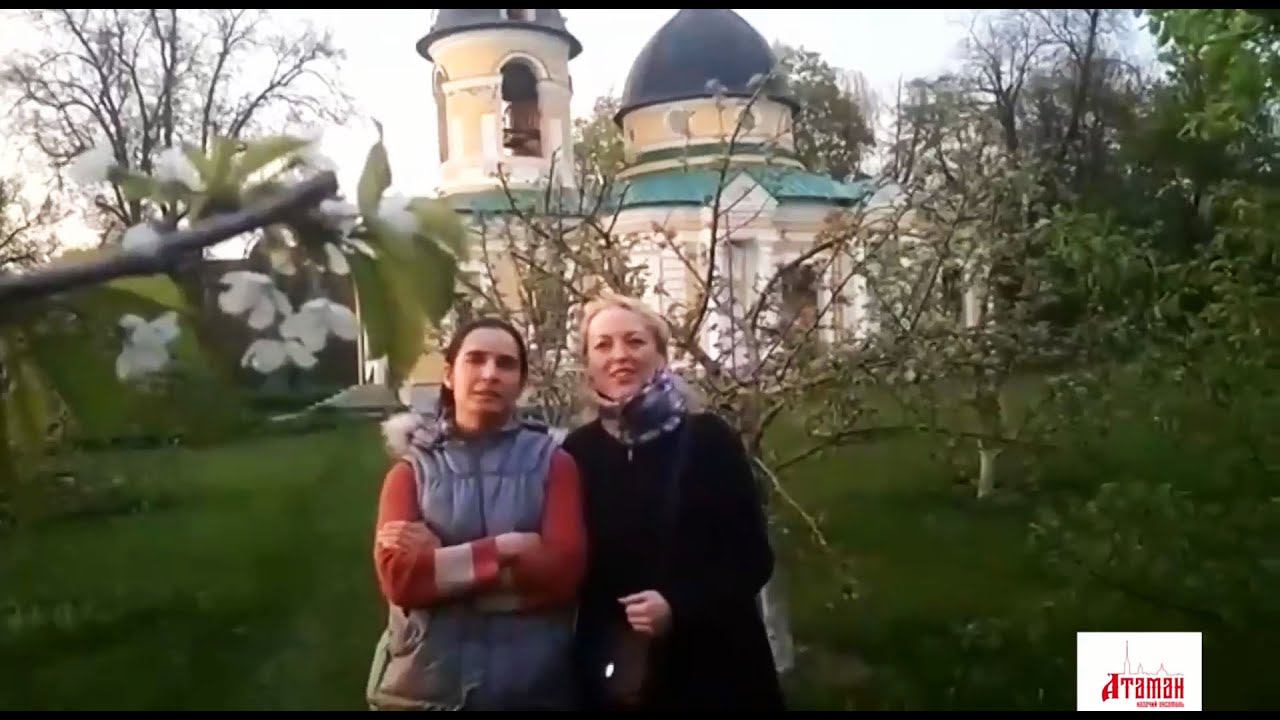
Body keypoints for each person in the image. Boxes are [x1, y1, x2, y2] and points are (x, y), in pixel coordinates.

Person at [562, 293, 785, 711]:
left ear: (661, 355)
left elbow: (753, 558)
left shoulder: (708, 439)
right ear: (588, 363)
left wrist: (677, 606)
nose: (620, 355)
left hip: (718, 669)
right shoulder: (577, 452)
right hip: (621, 674)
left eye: (635, 341)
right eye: (603, 345)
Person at [366, 317, 587, 711]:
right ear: (449, 375)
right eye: (476, 360)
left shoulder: (554, 463)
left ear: (521, 382)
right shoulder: (411, 470)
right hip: (425, 689)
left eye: (505, 364)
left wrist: (442, 562)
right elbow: (401, 580)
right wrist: (509, 549)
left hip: (531, 688)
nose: (490, 374)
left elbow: (563, 572)